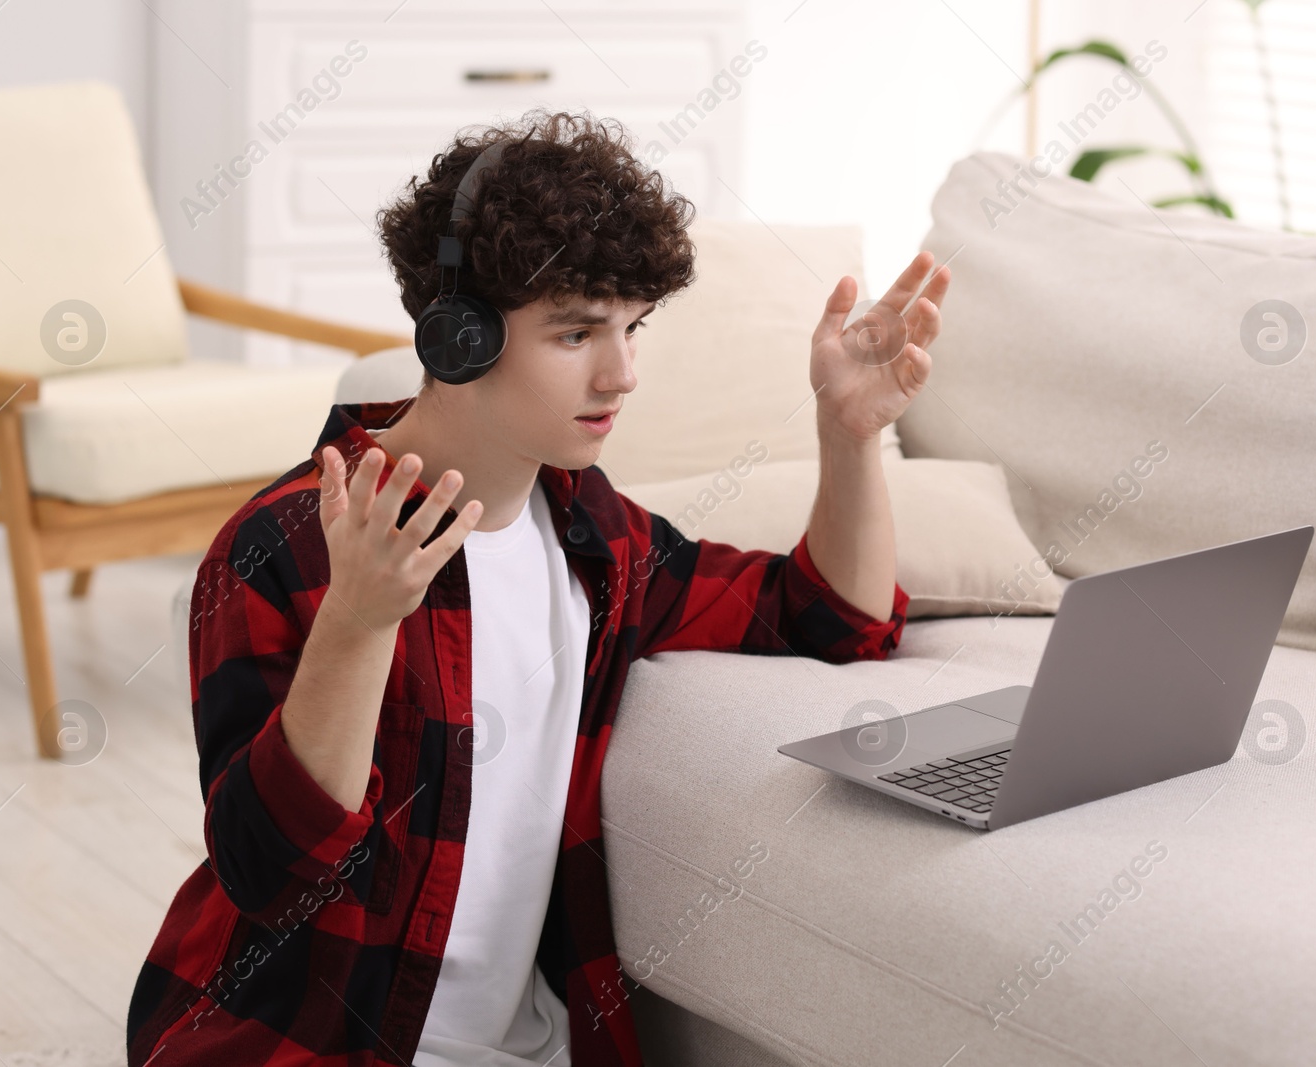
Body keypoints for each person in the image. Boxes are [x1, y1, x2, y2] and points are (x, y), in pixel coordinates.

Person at [126, 107, 949, 1066]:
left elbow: (827, 617)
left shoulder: (593, 534)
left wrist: (847, 434)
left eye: (632, 328)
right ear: (458, 337)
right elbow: (271, 875)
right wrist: (357, 622)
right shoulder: (283, 549)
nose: (623, 372)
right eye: (575, 333)